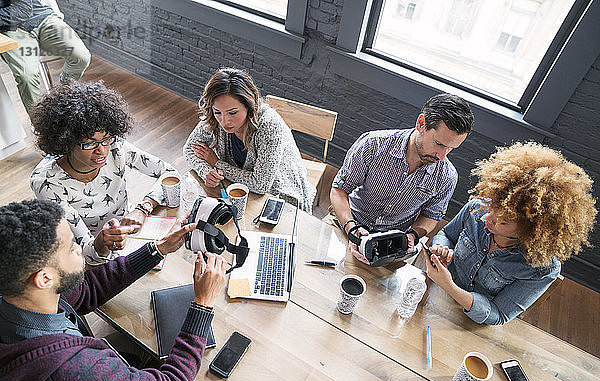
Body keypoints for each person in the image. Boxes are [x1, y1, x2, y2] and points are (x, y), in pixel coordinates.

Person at [0, 199, 227, 381]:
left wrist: (158, 249)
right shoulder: (77, 375)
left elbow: (87, 290)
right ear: (44, 278)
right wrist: (203, 305)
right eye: (71, 248)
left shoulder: (21, 293)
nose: (80, 249)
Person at [425, 142, 597, 325]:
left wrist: (449, 286)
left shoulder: (541, 268)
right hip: (434, 293)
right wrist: (441, 247)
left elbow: (498, 315)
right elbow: (448, 235)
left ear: (529, 231)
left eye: (503, 221)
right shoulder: (477, 209)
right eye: (492, 207)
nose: (486, 218)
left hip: (470, 323)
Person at [30, 81, 178, 265]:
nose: (102, 151)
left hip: (128, 230)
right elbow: (85, 253)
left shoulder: (116, 147)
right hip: (86, 253)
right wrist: (103, 242)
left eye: (106, 139)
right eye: (90, 143)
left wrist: (143, 208)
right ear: (65, 142)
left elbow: (169, 172)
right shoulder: (47, 183)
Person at [330, 93, 473, 264]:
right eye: (439, 144)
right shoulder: (373, 145)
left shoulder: (447, 177)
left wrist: (413, 236)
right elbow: (339, 190)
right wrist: (352, 229)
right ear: (421, 123)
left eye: (451, 148)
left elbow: (432, 216)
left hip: (392, 246)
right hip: (347, 222)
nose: (442, 156)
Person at [183, 68, 316, 212]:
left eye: (232, 112)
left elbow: (261, 185)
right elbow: (189, 148)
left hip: (278, 191)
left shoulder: (269, 126)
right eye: (217, 112)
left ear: (249, 105)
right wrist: (206, 171)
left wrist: (216, 164)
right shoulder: (214, 117)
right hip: (237, 186)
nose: (224, 121)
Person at [0, 0, 90, 113]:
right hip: (10, 31)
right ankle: (39, 119)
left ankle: (64, 90)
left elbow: (23, 9)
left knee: (81, 56)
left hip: (40, 17)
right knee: (26, 76)